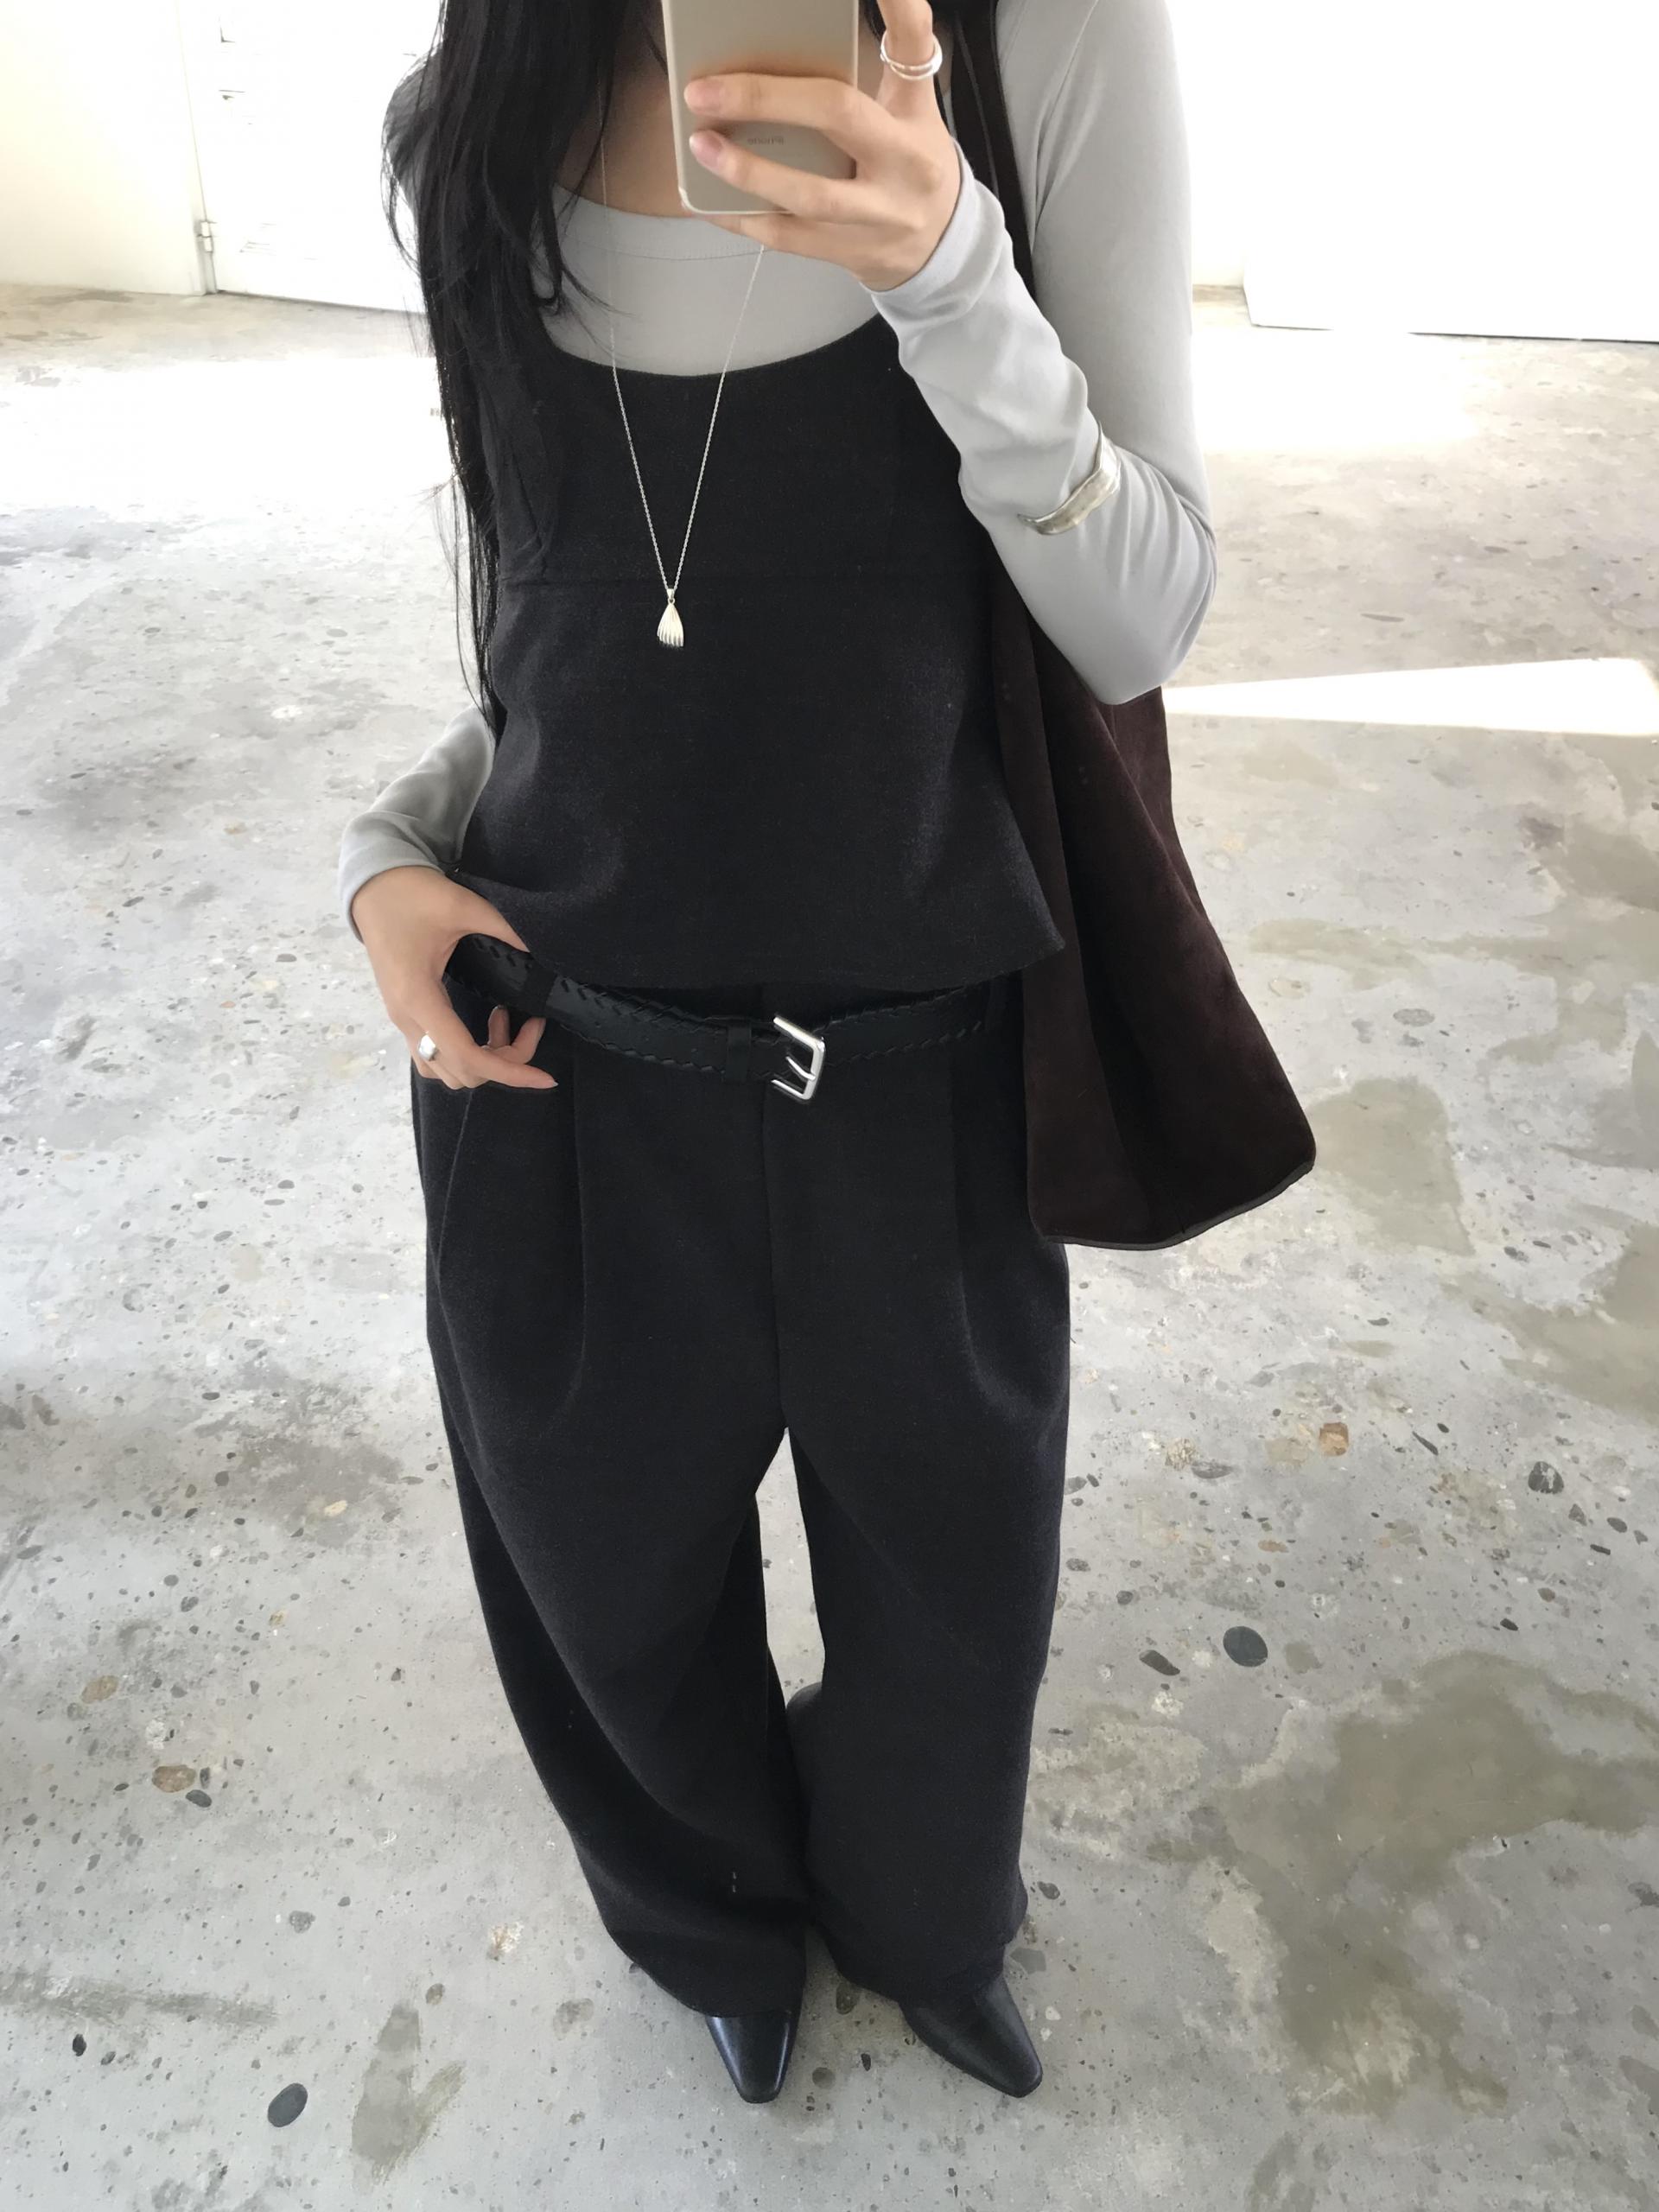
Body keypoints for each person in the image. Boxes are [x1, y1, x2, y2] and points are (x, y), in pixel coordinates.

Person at [339, 0, 1214, 2104]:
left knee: (955, 1593)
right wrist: (385, 854)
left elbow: (1141, 619)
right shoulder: (475, 113)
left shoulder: (1046, 46)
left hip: (918, 1067)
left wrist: (948, 269)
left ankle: (925, 1916)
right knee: (601, 1581)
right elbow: (549, 633)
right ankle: (713, 1921)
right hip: (566, 1064)